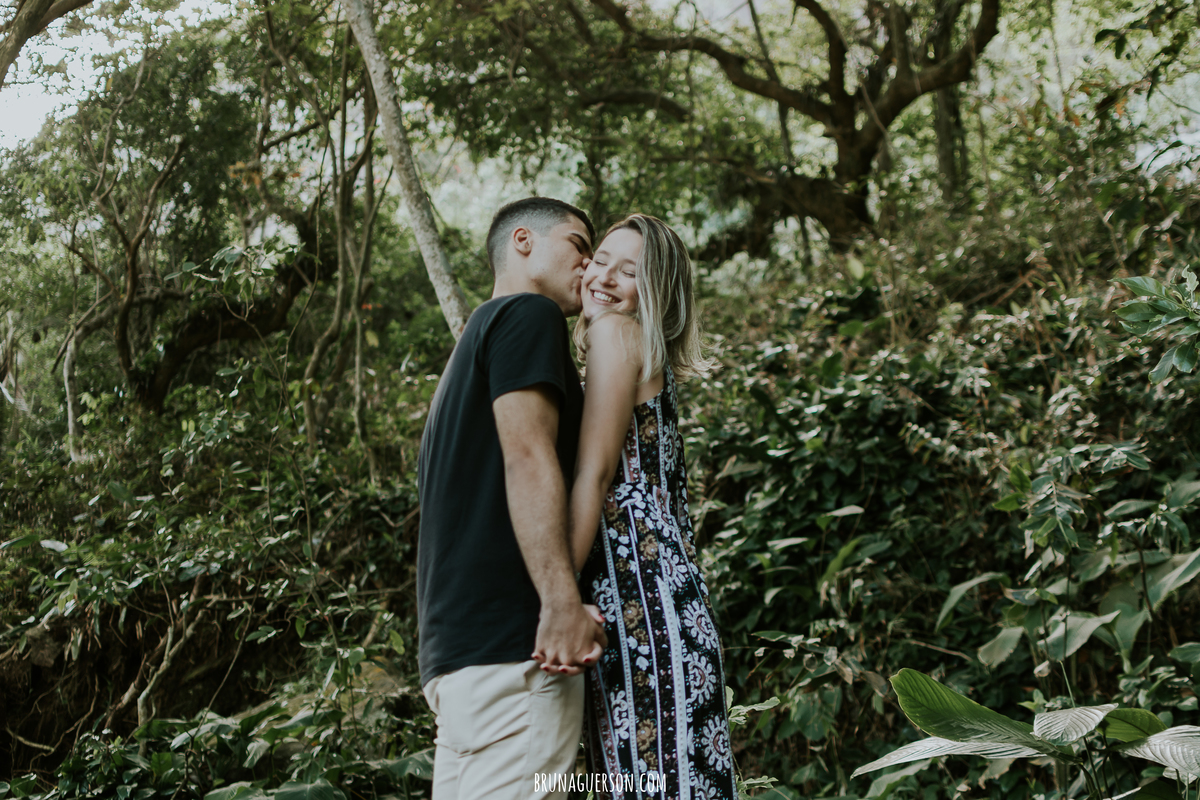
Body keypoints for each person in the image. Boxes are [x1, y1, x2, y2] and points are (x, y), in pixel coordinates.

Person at [416, 197, 608, 800]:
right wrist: (560, 602)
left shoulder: (468, 349)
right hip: (520, 651)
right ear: (523, 242)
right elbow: (528, 456)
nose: (590, 265)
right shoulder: (528, 316)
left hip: (454, 663)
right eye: (580, 245)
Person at [570, 214, 736, 799]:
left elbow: (593, 476)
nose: (605, 277)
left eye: (630, 271)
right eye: (601, 260)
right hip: (657, 600)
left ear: (656, 292)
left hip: (643, 606)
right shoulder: (633, 348)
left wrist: (552, 594)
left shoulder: (618, 334)